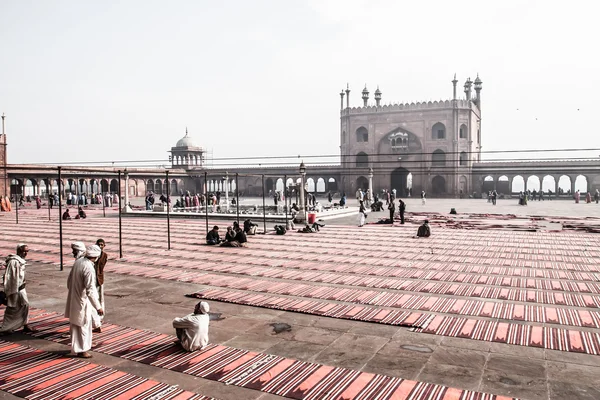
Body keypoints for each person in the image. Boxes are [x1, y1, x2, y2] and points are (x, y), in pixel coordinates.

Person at [65, 243, 104, 358]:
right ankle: (82, 350)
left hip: (74, 298)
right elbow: (90, 290)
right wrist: (98, 307)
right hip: (82, 300)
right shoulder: (88, 267)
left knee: (76, 325)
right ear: (96, 257)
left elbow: (69, 281)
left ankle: (77, 348)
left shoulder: (78, 262)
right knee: (83, 325)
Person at [0, 244, 34, 334]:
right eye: (24, 251)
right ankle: (6, 328)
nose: (26, 253)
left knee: (25, 305)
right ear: (19, 250)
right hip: (16, 289)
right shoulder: (14, 262)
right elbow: (11, 278)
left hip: (21, 288)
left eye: (27, 251)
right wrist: (12, 291)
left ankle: (25, 324)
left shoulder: (19, 261)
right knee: (13, 309)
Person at [92, 239, 108, 333]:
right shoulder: (93, 255)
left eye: (102, 245)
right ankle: (96, 319)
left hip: (99, 279)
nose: (100, 246)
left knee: (100, 298)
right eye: (99, 244)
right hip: (92, 279)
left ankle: (100, 317)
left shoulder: (104, 256)